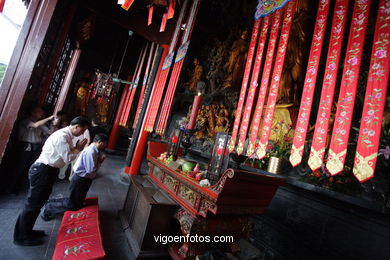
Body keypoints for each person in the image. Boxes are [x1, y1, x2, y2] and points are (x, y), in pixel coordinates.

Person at [13, 116, 90, 246]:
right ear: (76, 126)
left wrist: (75, 148)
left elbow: (67, 154)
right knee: (32, 204)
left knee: (38, 203)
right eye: (82, 130)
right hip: (43, 170)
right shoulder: (62, 136)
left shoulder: (67, 136)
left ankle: (27, 231)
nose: (82, 134)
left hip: (48, 171)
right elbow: (67, 157)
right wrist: (78, 149)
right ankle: (21, 237)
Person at [41, 133, 108, 221]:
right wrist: (99, 162)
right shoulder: (90, 151)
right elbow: (90, 170)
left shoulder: (94, 151)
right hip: (81, 179)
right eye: (105, 143)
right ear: (100, 142)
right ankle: (49, 206)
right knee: (73, 204)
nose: (106, 146)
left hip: (84, 179)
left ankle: (51, 203)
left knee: (77, 201)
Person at [11, 107, 54, 194]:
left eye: (42, 112)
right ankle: (12, 187)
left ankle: (23, 187)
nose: (41, 114)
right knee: (20, 167)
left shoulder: (41, 123)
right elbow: (35, 125)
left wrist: (53, 123)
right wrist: (49, 118)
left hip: (36, 146)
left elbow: (49, 132)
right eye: (39, 112)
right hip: (25, 146)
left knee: (30, 167)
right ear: (32, 112)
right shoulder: (26, 121)